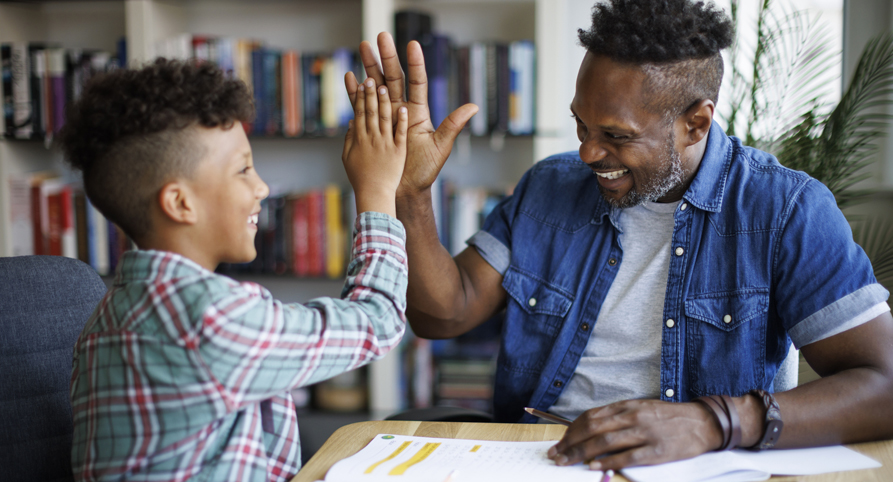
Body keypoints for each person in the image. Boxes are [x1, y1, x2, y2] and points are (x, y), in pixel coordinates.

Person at [345, 0, 893, 471]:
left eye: (615, 136)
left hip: (695, 466)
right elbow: (444, 314)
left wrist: (710, 422)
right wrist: (409, 195)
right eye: (582, 125)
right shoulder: (549, 187)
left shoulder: (785, 209)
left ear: (695, 123)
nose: (587, 153)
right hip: (538, 459)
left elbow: (884, 384)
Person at [61, 59, 409, 481]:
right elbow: (379, 319)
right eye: (243, 169)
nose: (261, 187)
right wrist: (377, 190)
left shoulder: (105, 317)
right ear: (180, 203)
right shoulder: (210, 318)